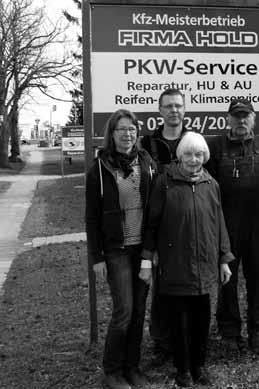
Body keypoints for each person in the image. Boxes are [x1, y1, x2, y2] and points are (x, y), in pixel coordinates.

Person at [139, 131, 234, 387]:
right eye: (189, 154)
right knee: (178, 320)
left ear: (205, 157)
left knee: (201, 319)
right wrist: (147, 260)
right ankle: (182, 369)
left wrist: (224, 258)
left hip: (204, 264)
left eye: (199, 154)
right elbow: (152, 223)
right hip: (175, 263)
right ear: (180, 157)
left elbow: (219, 223)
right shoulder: (165, 182)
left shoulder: (210, 184)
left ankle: (199, 366)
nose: (194, 160)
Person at [85, 109, 158, 389]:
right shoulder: (100, 170)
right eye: (121, 129)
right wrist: (97, 257)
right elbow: (92, 218)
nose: (127, 134)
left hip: (143, 250)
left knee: (139, 311)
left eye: (132, 129)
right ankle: (112, 371)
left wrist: (153, 250)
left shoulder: (147, 163)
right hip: (116, 250)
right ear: (111, 134)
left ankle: (132, 367)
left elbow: (154, 207)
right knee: (124, 311)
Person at [205, 98, 259, 353]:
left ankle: (258, 330)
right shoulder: (215, 147)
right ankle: (229, 331)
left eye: (246, 116)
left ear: (254, 118)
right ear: (228, 119)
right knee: (227, 280)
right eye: (236, 116)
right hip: (226, 228)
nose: (241, 121)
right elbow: (206, 191)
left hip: (258, 227)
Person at [139, 88, 189, 364]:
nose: (174, 111)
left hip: (186, 226)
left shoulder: (194, 142)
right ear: (160, 111)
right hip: (156, 226)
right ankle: (161, 344)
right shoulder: (147, 145)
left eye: (178, 106)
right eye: (168, 106)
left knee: (187, 287)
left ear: (185, 109)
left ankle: (185, 340)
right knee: (160, 289)